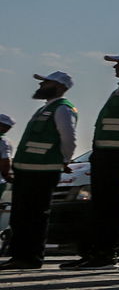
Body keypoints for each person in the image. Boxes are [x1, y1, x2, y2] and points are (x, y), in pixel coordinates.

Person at [61, 50, 119, 269]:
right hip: (105, 149)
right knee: (100, 202)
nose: (116, 67)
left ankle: (106, 254)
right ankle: (93, 252)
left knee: (110, 201)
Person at [0, 72, 78, 270]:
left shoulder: (62, 109)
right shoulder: (45, 109)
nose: (41, 85)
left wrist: (64, 161)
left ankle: (31, 257)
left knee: (35, 215)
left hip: (43, 170)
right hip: (27, 170)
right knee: (21, 215)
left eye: (46, 82)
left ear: (60, 87)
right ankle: (18, 255)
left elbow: (68, 138)